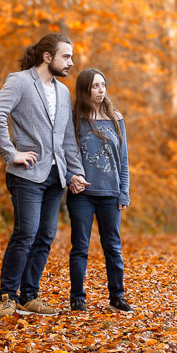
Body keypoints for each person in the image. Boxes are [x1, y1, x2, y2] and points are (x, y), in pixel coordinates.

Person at [0, 33, 89, 318]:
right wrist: (11, 153)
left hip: (55, 177)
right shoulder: (20, 81)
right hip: (27, 175)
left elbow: (67, 138)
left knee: (45, 237)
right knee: (26, 234)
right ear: (47, 57)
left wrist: (74, 172)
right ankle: (7, 296)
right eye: (66, 56)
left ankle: (29, 296)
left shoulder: (63, 92)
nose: (71, 62)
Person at [67, 68, 132, 313]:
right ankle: (77, 298)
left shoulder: (116, 118)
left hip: (110, 194)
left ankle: (117, 296)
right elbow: (64, 154)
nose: (101, 90)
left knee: (113, 248)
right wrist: (69, 178)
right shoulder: (74, 119)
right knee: (80, 248)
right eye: (95, 86)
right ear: (84, 90)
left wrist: (124, 191)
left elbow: (123, 159)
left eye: (103, 85)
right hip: (81, 194)